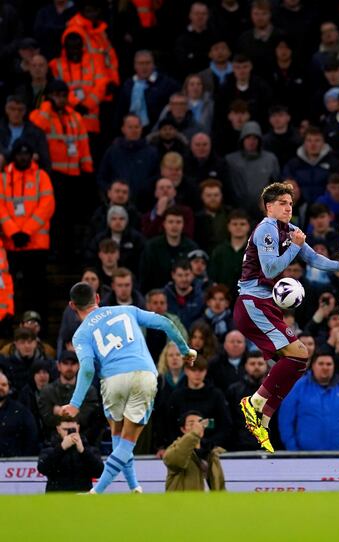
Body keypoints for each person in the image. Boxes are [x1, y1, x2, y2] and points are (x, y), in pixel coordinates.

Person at [236, 182, 339, 453]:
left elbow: (312, 257)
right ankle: (253, 403)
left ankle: (263, 418)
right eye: (282, 203)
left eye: (290, 203)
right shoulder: (267, 228)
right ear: (269, 207)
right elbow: (270, 268)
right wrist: (294, 247)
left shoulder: (288, 231)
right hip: (252, 302)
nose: (288, 207)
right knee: (299, 355)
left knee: (299, 361)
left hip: (265, 304)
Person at [60, 281, 196, 494]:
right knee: (128, 440)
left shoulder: (80, 334)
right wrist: (184, 349)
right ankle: (104, 491)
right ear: (97, 298)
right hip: (143, 374)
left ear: (72, 305)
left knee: (118, 436)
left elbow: (86, 369)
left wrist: (75, 404)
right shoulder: (126, 309)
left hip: (112, 380)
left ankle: (131, 487)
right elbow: (165, 323)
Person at [0, 140, 54, 320]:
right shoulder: (3, 178)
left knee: (37, 288)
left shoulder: (41, 176)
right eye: (19, 154)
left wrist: (26, 231)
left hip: (36, 244)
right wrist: (13, 232)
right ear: (13, 156)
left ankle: (39, 326)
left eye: (26, 154)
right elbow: (1, 208)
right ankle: (9, 324)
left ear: (32, 156)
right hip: (11, 244)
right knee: (9, 287)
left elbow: (47, 206)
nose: (23, 157)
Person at [278, 352, 339, 451]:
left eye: (329, 364)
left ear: (334, 366)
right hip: (306, 457)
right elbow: (285, 422)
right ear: (313, 365)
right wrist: (294, 450)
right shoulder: (297, 387)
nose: (325, 367)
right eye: (321, 364)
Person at [164, 410, 226, 491]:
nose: (197, 426)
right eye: (191, 424)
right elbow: (175, 462)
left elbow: (220, 486)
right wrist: (193, 434)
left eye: (200, 423)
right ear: (183, 429)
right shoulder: (175, 448)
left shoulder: (211, 453)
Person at [37, 419, 104, 492]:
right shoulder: (49, 447)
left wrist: (83, 451)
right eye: (65, 429)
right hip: (56, 498)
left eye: (73, 429)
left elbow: (99, 472)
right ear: (58, 429)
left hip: (82, 498)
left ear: (78, 427)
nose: (69, 433)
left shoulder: (89, 448)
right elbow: (42, 469)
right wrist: (61, 448)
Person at [0, 372, 39, 457]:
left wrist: (23, 458)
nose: (0, 388)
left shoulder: (21, 411)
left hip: (14, 464)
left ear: (8, 387)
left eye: (4, 385)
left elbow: (32, 436)